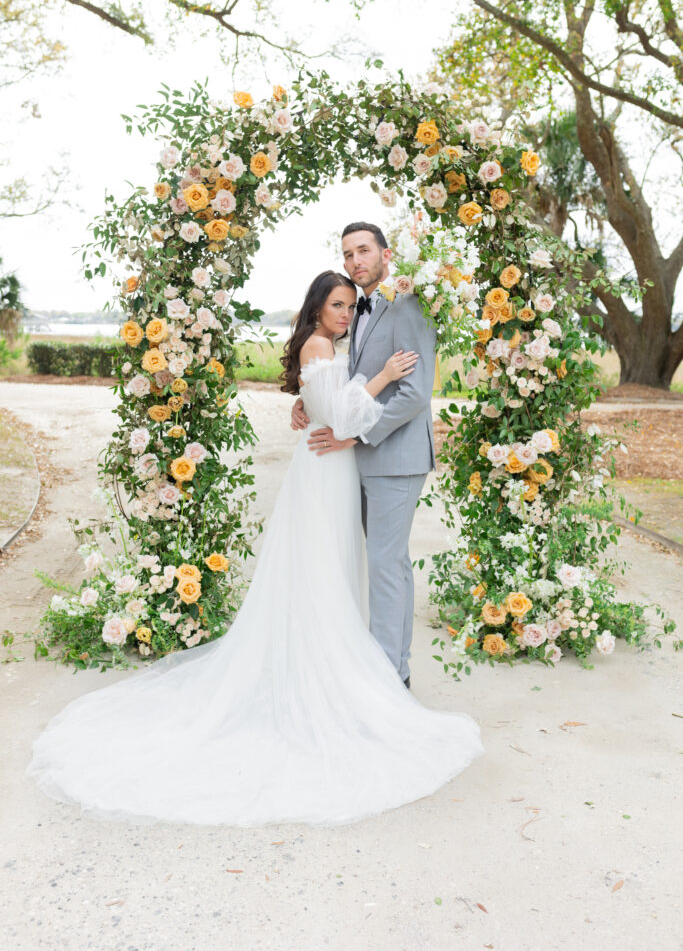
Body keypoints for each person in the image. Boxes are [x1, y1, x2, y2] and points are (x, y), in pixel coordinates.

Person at [26, 270, 483, 827]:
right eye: (335, 305)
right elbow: (341, 415)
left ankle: (350, 663)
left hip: (334, 467)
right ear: (317, 308)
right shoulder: (321, 344)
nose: (344, 313)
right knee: (321, 569)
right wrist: (381, 378)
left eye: (347, 305)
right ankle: (328, 670)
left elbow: (327, 405)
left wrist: (321, 406)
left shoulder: (333, 343)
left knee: (338, 569)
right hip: (324, 469)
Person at [291, 222, 435, 689]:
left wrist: (355, 435)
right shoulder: (362, 309)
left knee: (386, 567)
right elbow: (349, 376)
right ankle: (395, 666)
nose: (356, 261)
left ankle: (390, 679)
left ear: (386, 254)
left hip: (396, 456)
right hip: (367, 460)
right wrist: (310, 400)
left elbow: (414, 394)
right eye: (348, 253)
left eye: (364, 251)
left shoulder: (407, 305)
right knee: (388, 564)